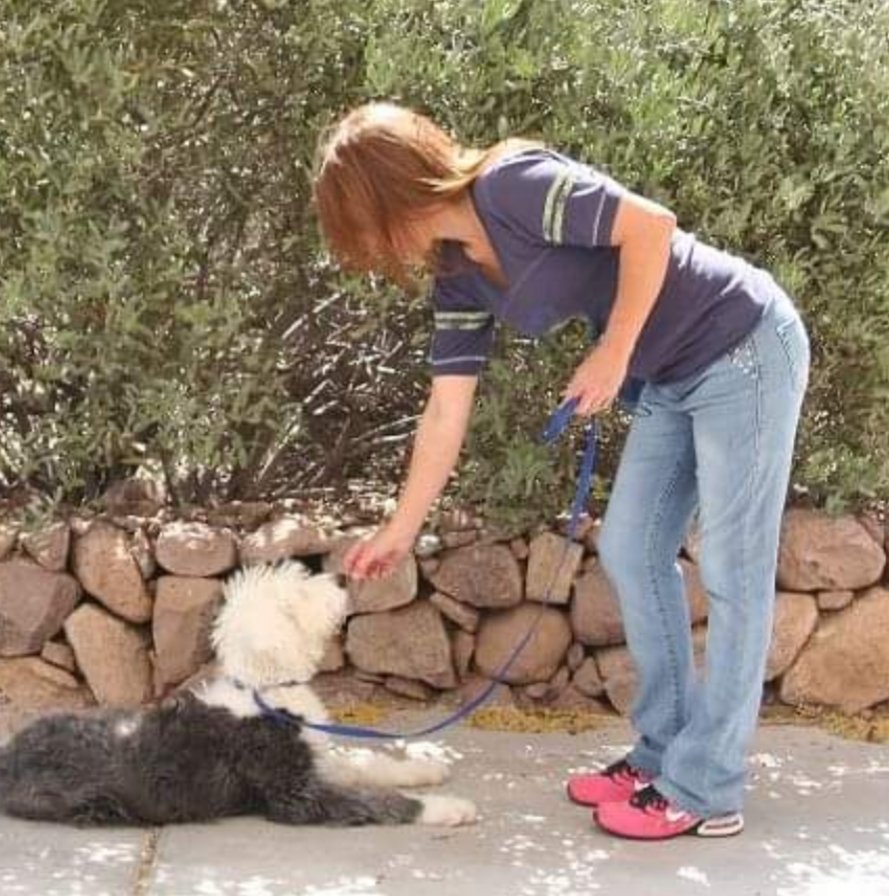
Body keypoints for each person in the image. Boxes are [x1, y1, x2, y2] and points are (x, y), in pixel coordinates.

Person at [311, 101, 809, 841]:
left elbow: (651, 226)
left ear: (393, 193)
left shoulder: (512, 184)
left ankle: (706, 788)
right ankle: (662, 751)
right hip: (671, 375)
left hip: (743, 346)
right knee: (630, 549)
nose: (373, 248)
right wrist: (400, 530)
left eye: (364, 225)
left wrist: (613, 351)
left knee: (733, 569)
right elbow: (444, 411)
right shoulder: (457, 275)